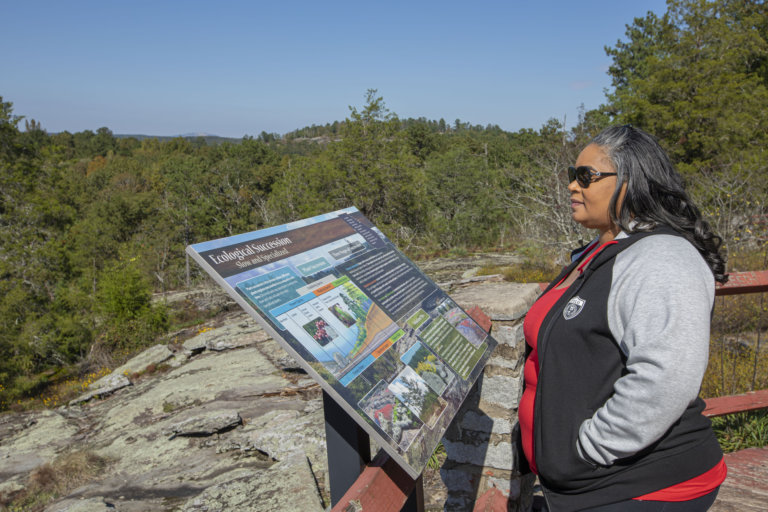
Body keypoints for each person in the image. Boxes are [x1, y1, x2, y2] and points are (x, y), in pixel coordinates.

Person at [518, 125, 728, 512]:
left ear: (630, 182)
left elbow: (666, 379)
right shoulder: (600, 251)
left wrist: (586, 449)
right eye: (571, 175)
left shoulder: (662, 259)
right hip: (592, 484)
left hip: (641, 486)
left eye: (586, 177)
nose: (571, 186)